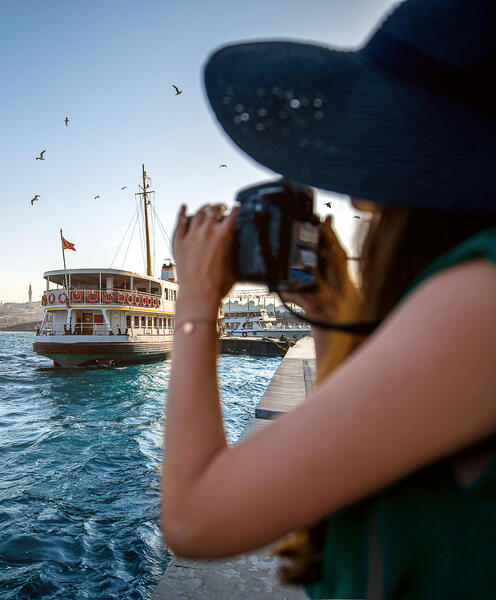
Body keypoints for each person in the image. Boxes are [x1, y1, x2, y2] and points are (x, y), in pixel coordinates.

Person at [161, 0, 496, 598]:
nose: (363, 203)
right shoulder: (465, 291)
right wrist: (333, 315)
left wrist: (194, 308)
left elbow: (193, 519)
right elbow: (371, 431)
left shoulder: (482, 294)